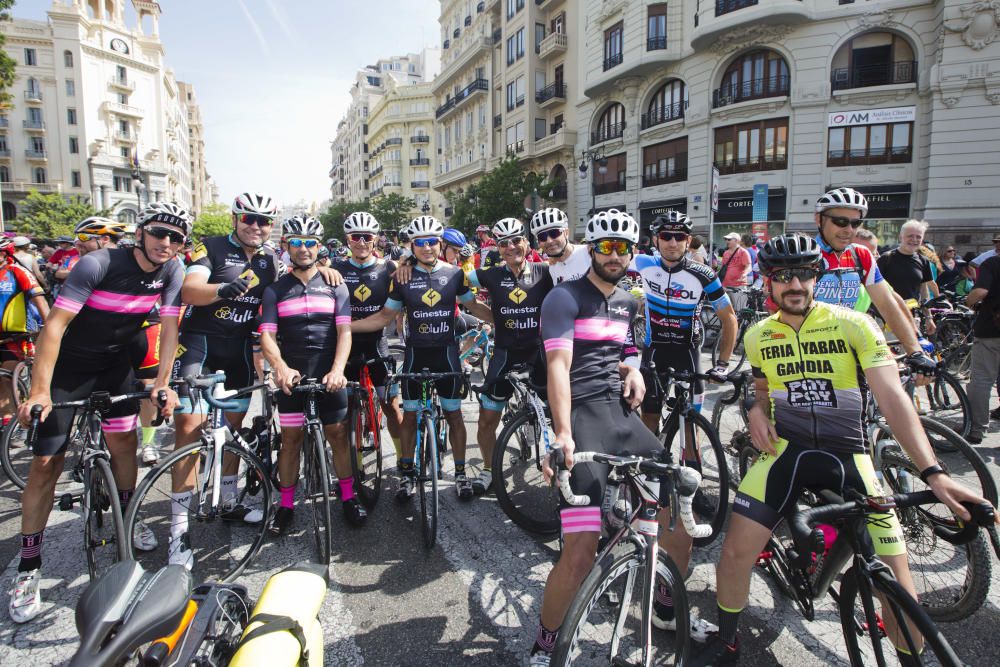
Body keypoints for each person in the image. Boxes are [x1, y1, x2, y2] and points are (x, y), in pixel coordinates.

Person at [695, 233, 998, 664]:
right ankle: (727, 641)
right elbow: (761, 388)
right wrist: (756, 410)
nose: (794, 285)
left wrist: (934, 473)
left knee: (899, 589)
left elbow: (893, 399)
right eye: (783, 277)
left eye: (802, 275)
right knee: (734, 554)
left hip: (850, 457)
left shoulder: (853, 324)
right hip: (787, 453)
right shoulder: (759, 334)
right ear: (768, 283)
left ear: (816, 276)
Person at [10, 204, 188, 623]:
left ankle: (127, 520)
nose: (166, 244)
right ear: (142, 231)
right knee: (44, 464)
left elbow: (170, 329)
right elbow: (54, 326)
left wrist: (163, 382)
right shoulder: (98, 263)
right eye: (160, 233)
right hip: (70, 367)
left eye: (176, 239)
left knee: (124, 442)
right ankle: (28, 568)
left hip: (114, 366)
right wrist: (39, 390)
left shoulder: (173, 270)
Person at [530, 209, 690, 665]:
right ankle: (545, 641)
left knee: (674, 507)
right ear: (592, 251)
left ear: (634, 251)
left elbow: (628, 347)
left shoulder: (630, 300)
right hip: (581, 417)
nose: (615, 255)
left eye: (623, 248)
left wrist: (633, 369)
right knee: (579, 554)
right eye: (606, 247)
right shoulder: (564, 297)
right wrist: (562, 434)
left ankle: (661, 595)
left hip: (620, 416)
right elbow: (558, 367)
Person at [630, 210, 738, 639]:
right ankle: (647, 480)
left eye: (679, 237)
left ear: (688, 240)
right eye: (665, 236)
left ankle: (692, 486)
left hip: (689, 356)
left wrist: (724, 364)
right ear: (655, 240)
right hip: (654, 355)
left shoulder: (702, 271)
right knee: (649, 423)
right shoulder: (643, 265)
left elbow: (729, 319)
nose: (672, 242)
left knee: (691, 428)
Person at [169, 192, 286, 567]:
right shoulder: (214, 247)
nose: (256, 226)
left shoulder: (271, 260)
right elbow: (189, 289)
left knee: (231, 432)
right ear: (236, 218)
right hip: (200, 349)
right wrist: (222, 289)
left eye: (264, 220)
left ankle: (230, 501)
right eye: (249, 218)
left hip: (237, 352)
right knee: (189, 430)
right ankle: (178, 530)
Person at [351, 215, 478, 500]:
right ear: (412, 245)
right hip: (414, 356)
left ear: (440, 243)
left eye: (432, 241)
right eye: (420, 243)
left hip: (447, 355)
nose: (427, 247)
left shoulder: (455, 274)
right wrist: (345, 328)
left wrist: (498, 321)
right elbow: (385, 316)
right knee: (409, 415)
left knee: (454, 414)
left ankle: (460, 474)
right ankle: (407, 473)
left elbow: (473, 305)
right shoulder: (402, 276)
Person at [258, 216, 363, 533]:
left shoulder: (336, 285)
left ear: (319, 247)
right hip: (293, 376)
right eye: (297, 242)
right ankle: (286, 505)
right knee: (290, 441)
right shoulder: (275, 290)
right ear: (287, 246)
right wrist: (279, 367)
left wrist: (338, 370)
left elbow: (345, 332)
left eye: (309, 243)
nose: (303, 249)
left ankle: (348, 497)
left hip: (329, 372)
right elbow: (266, 335)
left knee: (339, 437)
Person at [810, 188, 936, 379]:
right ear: (819, 219)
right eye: (840, 221)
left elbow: (887, 302)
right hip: (810, 353)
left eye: (855, 223)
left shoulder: (860, 255)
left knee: (888, 392)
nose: (849, 230)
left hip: (850, 349)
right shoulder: (805, 255)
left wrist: (915, 350)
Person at [465, 218, 551, 495]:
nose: (512, 247)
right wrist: (406, 263)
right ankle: (489, 470)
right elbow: (453, 284)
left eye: (516, 241)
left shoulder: (545, 271)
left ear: (527, 242)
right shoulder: (489, 274)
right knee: (487, 418)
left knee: (560, 414)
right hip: (504, 354)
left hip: (538, 353)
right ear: (497, 248)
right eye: (504, 243)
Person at [332, 211, 404, 464]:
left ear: (375, 239)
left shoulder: (390, 267)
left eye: (367, 236)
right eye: (355, 236)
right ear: (347, 239)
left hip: (377, 343)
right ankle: (357, 464)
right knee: (348, 410)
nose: (361, 242)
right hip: (346, 347)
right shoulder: (334, 269)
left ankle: (404, 460)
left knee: (391, 406)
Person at [0, 238, 49, 422]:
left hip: (15, 336)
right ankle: (7, 421)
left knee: (6, 378)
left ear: (4, 253)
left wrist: (51, 328)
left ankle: (18, 419)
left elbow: (40, 300)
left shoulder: (17, 271)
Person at [964, 252, 1000, 444]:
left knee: (982, 380)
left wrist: (968, 302)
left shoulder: (992, 263)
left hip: (992, 329)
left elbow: (980, 292)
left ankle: (976, 429)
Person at [877, 220, 938, 303]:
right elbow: (875, 286)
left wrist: (927, 313)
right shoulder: (886, 258)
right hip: (887, 311)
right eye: (910, 236)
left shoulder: (923, 261)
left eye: (918, 237)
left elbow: (923, 288)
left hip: (911, 312)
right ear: (900, 237)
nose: (914, 239)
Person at [530, 207, 590, 284]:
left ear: (566, 233)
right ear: (538, 242)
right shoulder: (553, 268)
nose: (549, 241)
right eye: (542, 237)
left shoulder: (589, 254)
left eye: (554, 233)